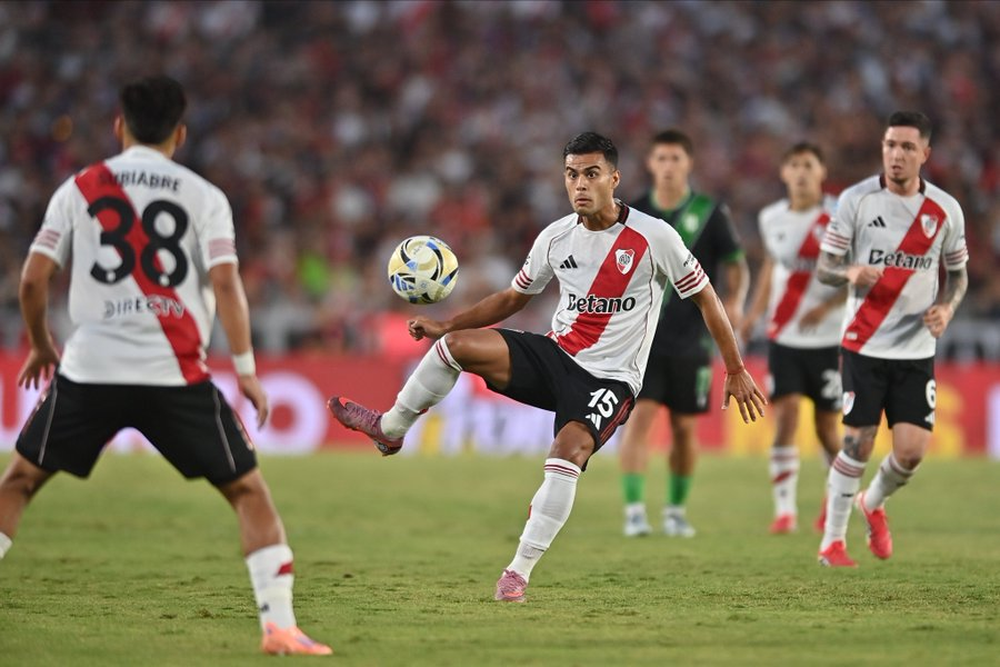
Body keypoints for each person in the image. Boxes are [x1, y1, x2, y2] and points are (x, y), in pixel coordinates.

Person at [330, 132, 766, 602]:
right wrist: (445, 324)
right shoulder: (556, 237)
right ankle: (391, 428)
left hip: (611, 379)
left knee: (566, 454)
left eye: (591, 174)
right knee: (456, 346)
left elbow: (705, 296)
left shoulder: (653, 236)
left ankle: (517, 572)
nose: (580, 184)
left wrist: (736, 367)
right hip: (555, 355)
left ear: (614, 179)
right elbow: (514, 297)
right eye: (571, 174)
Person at [0, 76, 331, 655]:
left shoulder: (80, 188)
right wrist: (248, 369)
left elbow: (32, 279)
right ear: (180, 133)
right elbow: (226, 283)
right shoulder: (205, 196)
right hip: (173, 374)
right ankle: (278, 627)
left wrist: (40, 344)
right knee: (249, 493)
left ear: (117, 125)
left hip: (91, 371)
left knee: (20, 482)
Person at [815, 111, 968, 567]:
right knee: (858, 444)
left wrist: (947, 308)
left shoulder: (944, 211)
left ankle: (873, 503)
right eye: (889, 145)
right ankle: (832, 543)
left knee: (910, 453)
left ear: (925, 153)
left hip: (917, 348)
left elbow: (957, 275)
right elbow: (825, 269)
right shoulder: (856, 200)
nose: (896, 155)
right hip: (863, 342)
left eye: (905, 147)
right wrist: (851, 272)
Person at [617, 129, 749, 538]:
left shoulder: (709, 213)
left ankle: (675, 510)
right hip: (643, 339)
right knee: (640, 421)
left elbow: (736, 263)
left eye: (676, 158)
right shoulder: (633, 212)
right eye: (661, 158)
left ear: (688, 163)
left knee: (684, 428)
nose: (668, 166)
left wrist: (736, 302)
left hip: (694, 341)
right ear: (650, 164)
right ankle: (635, 511)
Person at [740, 142, 845, 534]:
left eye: (808, 165)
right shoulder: (772, 218)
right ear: (784, 173)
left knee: (826, 428)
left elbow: (857, 272)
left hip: (829, 340)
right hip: (783, 336)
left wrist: (830, 303)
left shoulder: (837, 216)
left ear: (821, 171)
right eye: (794, 165)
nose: (801, 172)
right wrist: (753, 312)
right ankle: (785, 512)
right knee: (783, 420)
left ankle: (835, 499)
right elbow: (771, 267)